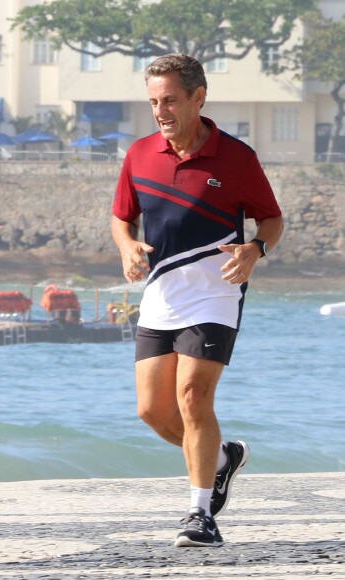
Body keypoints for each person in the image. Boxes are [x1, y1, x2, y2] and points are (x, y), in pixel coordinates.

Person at [111, 53, 283, 548]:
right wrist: (126, 246)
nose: (160, 111)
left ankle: (200, 514)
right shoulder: (139, 154)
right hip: (161, 293)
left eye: (169, 100)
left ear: (197, 98)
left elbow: (271, 219)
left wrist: (255, 249)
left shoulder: (236, 158)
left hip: (216, 291)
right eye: (153, 102)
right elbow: (121, 217)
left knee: (192, 398)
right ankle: (224, 459)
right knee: (151, 411)